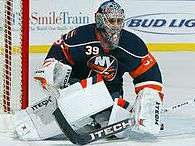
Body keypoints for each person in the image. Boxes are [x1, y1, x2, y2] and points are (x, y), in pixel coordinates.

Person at [14, 0, 164, 141]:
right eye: (112, 21)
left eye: (119, 21)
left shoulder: (132, 44)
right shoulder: (80, 36)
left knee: (117, 132)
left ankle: (99, 116)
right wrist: (51, 69)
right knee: (61, 118)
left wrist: (149, 104)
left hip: (109, 92)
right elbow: (59, 50)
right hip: (76, 87)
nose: (116, 26)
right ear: (100, 20)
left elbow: (149, 74)